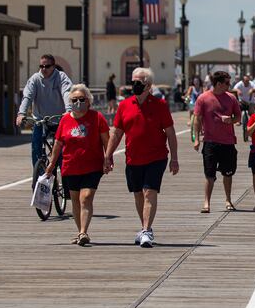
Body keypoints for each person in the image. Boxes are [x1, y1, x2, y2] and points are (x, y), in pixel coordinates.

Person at [104, 67, 179, 248]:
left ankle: (146, 230)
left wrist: (174, 158)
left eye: (138, 82)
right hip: (133, 158)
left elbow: (170, 133)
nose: (134, 85)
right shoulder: (124, 105)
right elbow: (116, 133)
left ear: (148, 85)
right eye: (133, 82)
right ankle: (145, 227)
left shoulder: (160, 105)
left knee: (149, 192)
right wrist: (108, 155)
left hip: (156, 157)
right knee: (138, 194)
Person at [45, 84, 109, 246]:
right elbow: (58, 144)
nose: (78, 102)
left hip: (93, 166)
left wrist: (108, 158)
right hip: (70, 166)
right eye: (74, 100)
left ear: (88, 101)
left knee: (85, 198)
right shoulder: (65, 119)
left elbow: (106, 140)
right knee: (75, 200)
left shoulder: (97, 117)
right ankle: (80, 231)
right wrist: (52, 164)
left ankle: (83, 232)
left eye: (82, 99)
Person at [192, 71, 241, 213]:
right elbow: (197, 119)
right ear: (218, 83)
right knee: (209, 174)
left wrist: (231, 120)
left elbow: (238, 117)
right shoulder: (203, 98)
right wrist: (196, 139)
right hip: (210, 141)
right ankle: (206, 203)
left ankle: (228, 200)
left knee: (228, 173)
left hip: (228, 142)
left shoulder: (231, 98)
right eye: (227, 83)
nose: (229, 85)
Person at [16, 54, 73, 166]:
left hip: (59, 120)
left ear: (53, 66)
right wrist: (21, 113)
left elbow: (67, 92)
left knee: (61, 149)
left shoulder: (61, 77)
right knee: (36, 146)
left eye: (47, 66)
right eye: (41, 66)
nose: (43, 69)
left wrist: (68, 110)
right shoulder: (35, 79)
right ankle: (38, 177)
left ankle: (63, 176)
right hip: (40, 120)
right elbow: (27, 96)